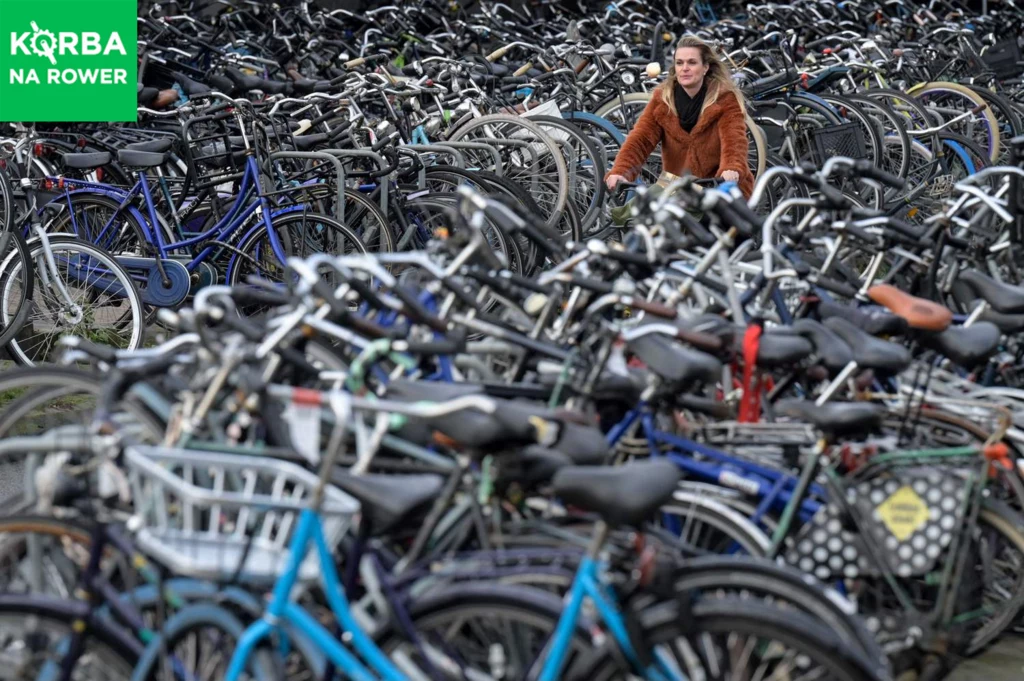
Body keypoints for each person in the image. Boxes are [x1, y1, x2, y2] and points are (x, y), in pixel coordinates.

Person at [604, 35, 754, 198]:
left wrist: (731, 168)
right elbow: (641, 140)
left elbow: (734, 140)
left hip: (718, 187)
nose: (685, 68)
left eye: (692, 62)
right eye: (679, 63)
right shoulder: (663, 99)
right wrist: (621, 171)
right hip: (677, 186)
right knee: (639, 218)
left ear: (705, 67)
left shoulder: (724, 98)